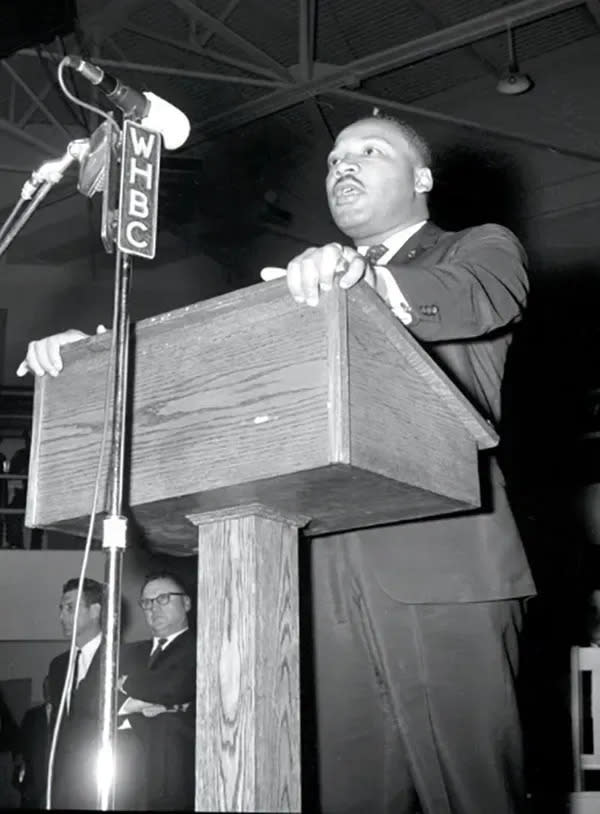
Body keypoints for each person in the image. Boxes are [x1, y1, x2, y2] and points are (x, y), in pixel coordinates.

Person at [19, 112, 534, 814]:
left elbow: (483, 297)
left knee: (474, 791)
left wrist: (373, 286)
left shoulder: (473, 248)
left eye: (369, 152)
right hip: (310, 578)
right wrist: (96, 365)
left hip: (440, 565)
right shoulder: (302, 283)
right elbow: (226, 380)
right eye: (332, 160)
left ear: (421, 179)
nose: (342, 166)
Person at [118, 571, 196, 811]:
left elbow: (174, 687)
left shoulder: (203, 645)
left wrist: (125, 685)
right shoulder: (127, 653)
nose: (153, 608)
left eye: (163, 599)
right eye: (147, 602)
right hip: (122, 770)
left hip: (172, 773)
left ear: (186, 602)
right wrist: (140, 705)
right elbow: (92, 697)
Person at [47, 577, 104, 809]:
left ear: (95, 611)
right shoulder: (58, 666)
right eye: (61, 609)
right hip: (64, 787)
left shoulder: (118, 660)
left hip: (101, 783)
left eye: (70, 608)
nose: (62, 617)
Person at [13, 676, 52, 809]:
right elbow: (19, 745)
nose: (47, 691)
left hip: (54, 781)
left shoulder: (64, 716)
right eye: (45, 687)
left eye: (50, 687)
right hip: (33, 783)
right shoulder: (31, 716)